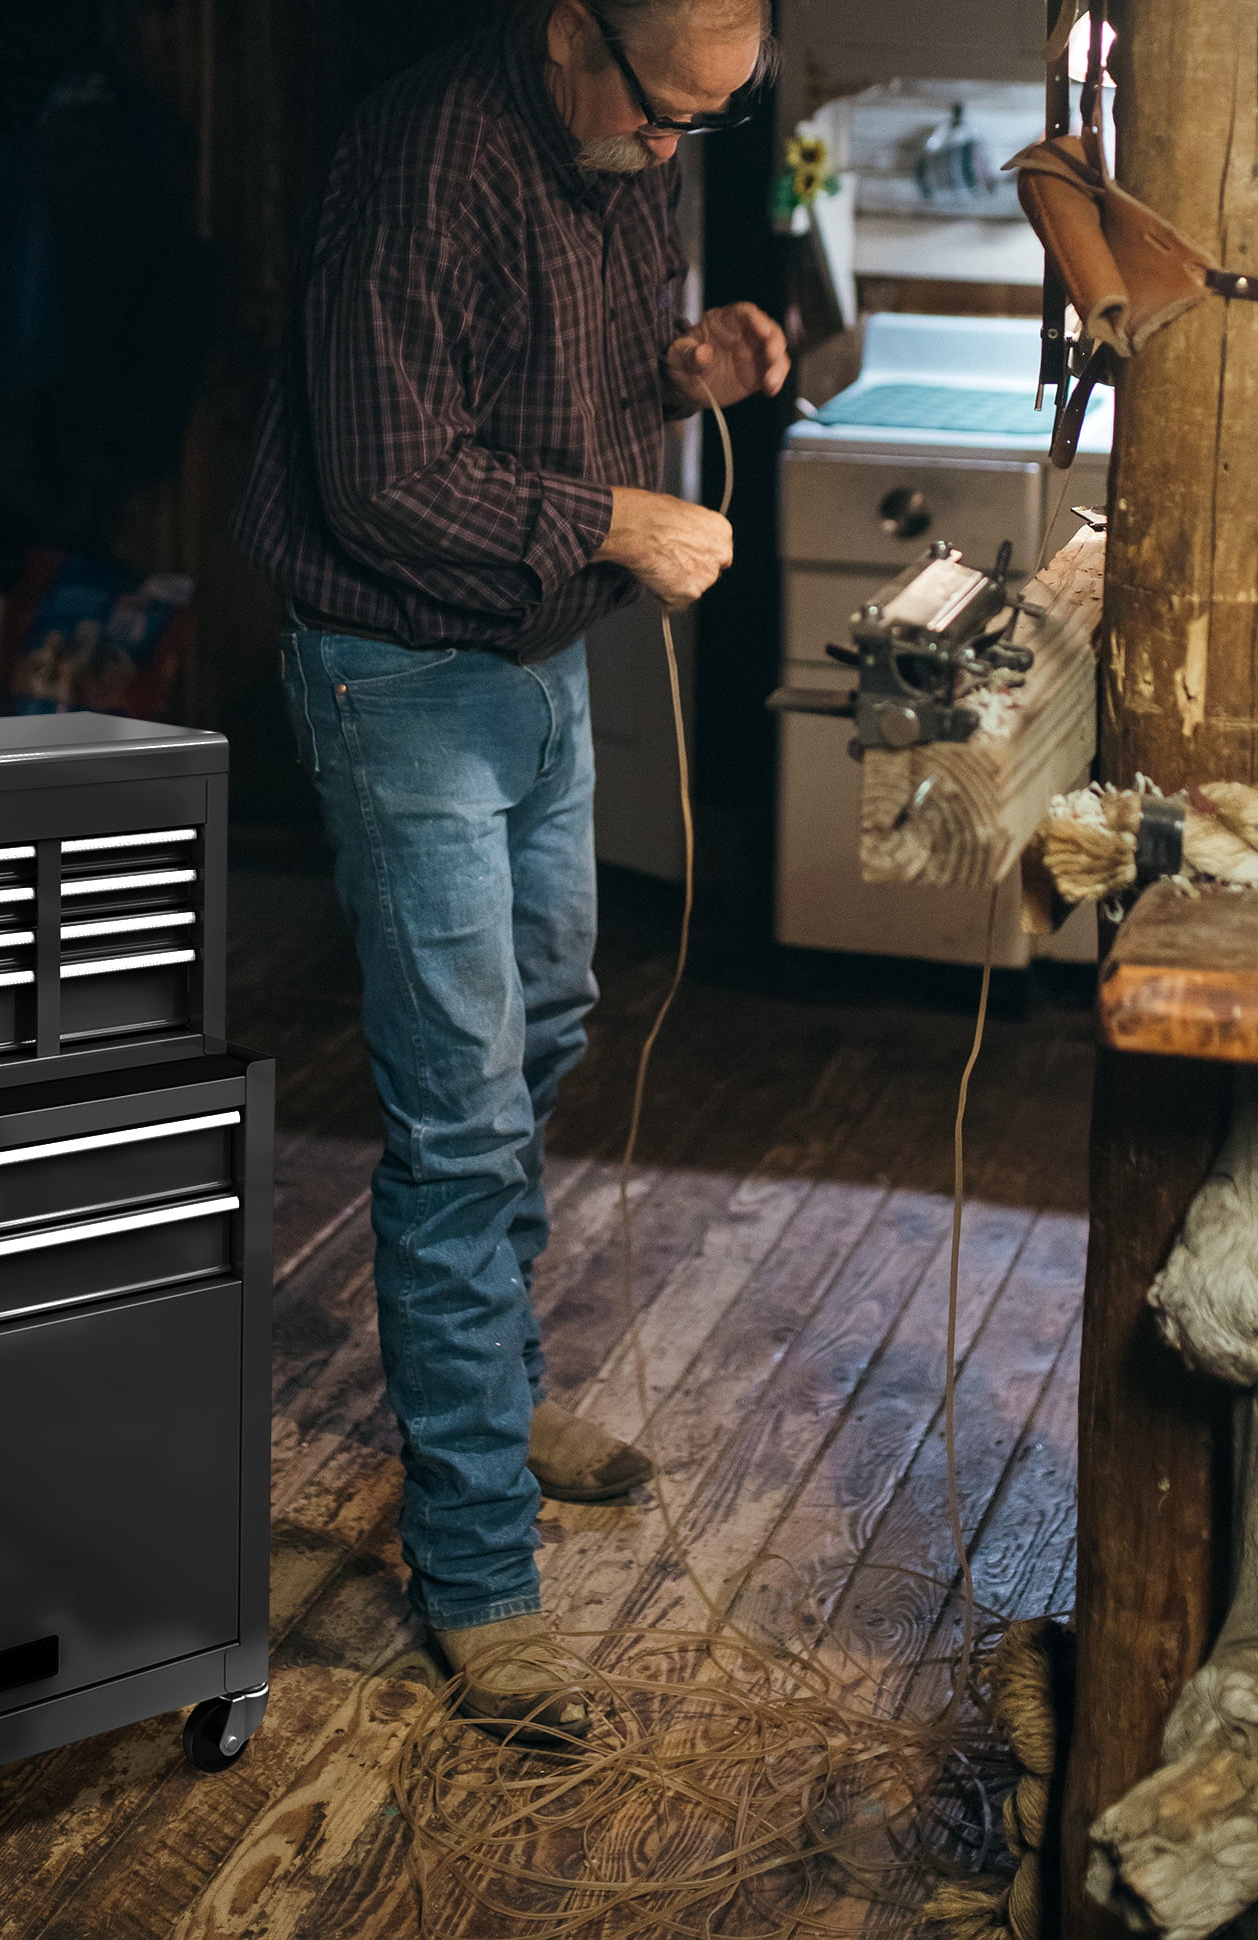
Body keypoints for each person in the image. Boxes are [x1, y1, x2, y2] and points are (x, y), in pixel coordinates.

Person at [234, 0, 789, 1737]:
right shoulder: (425, 164)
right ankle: (477, 1571)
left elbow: (557, 382)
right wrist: (623, 519)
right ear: (572, 33)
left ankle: (492, 1384)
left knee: (547, 1020)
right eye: (663, 116)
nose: (674, 150)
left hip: (537, 660)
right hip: (397, 670)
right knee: (460, 1118)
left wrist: (685, 370)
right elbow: (389, 478)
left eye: (714, 119)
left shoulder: (630, 140)